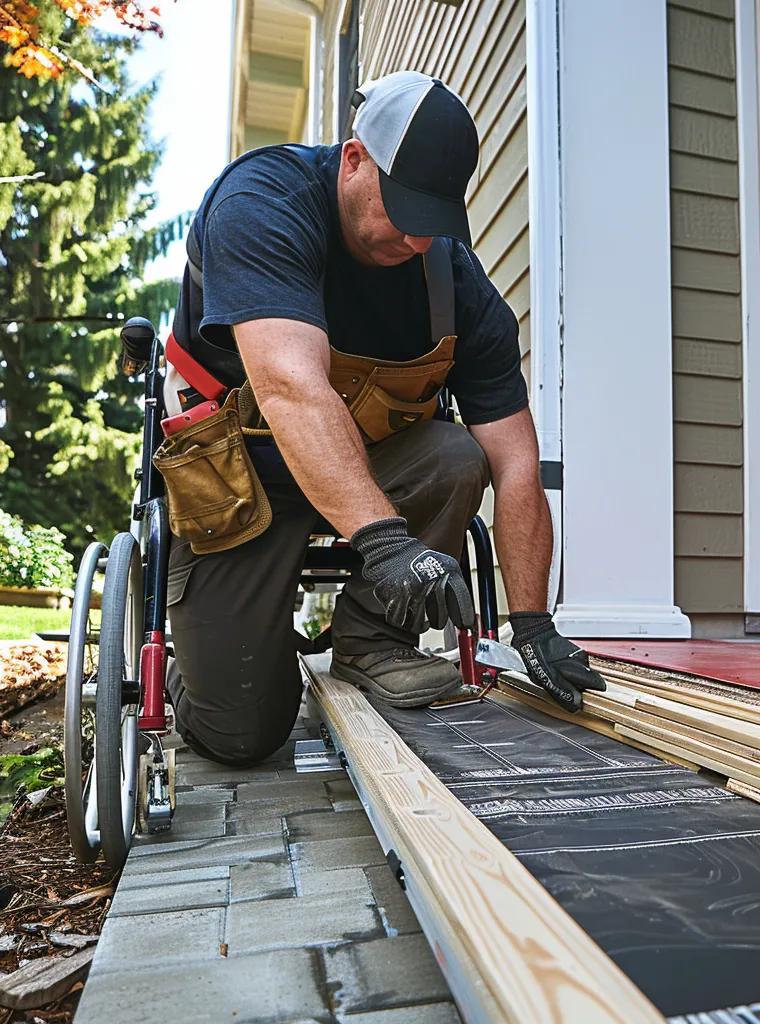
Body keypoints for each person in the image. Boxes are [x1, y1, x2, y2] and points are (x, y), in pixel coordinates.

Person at [160, 70, 606, 767]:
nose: (417, 240)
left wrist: (533, 623)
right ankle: (211, 652)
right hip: (244, 484)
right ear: (353, 159)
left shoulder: (455, 286)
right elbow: (289, 386)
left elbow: (517, 462)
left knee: (461, 454)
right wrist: (387, 543)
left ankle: (372, 640)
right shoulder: (262, 204)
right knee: (241, 734)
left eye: (434, 220)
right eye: (401, 208)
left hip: (366, 471)